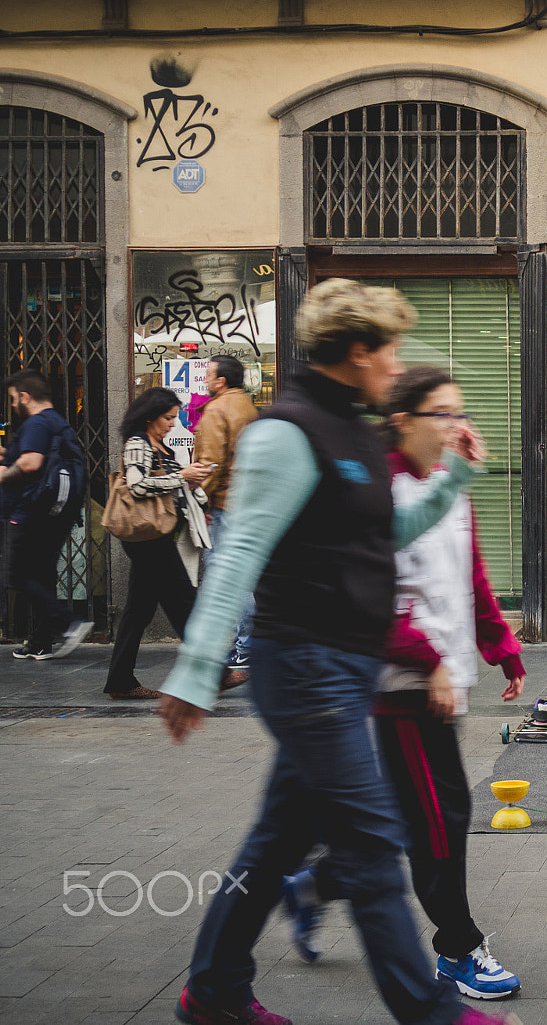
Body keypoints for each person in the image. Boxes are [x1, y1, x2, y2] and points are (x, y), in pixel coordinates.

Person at [156, 280, 514, 1025]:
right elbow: (239, 553)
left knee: (276, 839)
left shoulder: (353, 427)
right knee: (373, 842)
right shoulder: (285, 432)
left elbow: (387, 530)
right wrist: (195, 671)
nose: (396, 364)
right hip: (306, 664)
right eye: (388, 349)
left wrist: (457, 475)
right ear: (357, 352)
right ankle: (430, 1012)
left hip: (344, 669)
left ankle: (213, 991)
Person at [279, 367, 526, 1001]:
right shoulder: (377, 488)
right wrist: (429, 663)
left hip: (443, 677)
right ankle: (457, 949)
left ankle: (314, 885)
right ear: (403, 420)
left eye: (459, 412)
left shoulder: (449, 481)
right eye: (442, 414)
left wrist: (499, 644)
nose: (457, 425)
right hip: (402, 682)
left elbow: (467, 571)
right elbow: (370, 597)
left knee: (402, 820)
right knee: (441, 818)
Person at [102, 387, 221, 700]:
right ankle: (214, 674)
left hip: (156, 536)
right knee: (185, 603)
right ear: (150, 416)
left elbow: (169, 486)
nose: (173, 423)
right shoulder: (138, 443)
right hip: (148, 537)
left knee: (138, 611)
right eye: (169, 417)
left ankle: (120, 680)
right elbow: (139, 486)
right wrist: (182, 475)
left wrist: (194, 488)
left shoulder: (157, 443)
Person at [1, 370, 89, 660]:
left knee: (18, 575)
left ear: (25, 397)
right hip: (55, 513)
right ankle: (41, 641)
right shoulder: (57, 423)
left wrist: (3, 474)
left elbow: (30, 463)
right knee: (40, 575)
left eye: (14, 399)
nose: (14, 405)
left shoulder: (36, 423)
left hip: (31, 512)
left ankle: (67, 624)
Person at [194, 354, 260, 674]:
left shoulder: (216, 409)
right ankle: (247, 643)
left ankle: (247, 646)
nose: (204, 380)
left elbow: (209, 466)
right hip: (248, 501)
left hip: (225, 503)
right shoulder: (247, 406)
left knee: (230, 577)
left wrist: (199, 502)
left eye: (208, 374)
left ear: (221, 381)